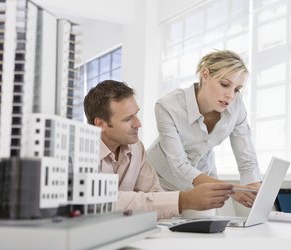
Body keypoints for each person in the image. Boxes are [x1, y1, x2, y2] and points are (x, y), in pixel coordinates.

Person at [84, 80, 235, 219]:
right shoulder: (82, 155)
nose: (138, 124)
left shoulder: (136, 148)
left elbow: (154, 193)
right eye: (127, 119)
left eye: (136, 114)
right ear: (100, 124)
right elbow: (104, 203)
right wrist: (184, 200)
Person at [147, 50, 261, 208]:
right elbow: (179, 165)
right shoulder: (168, 106)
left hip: (204, 178)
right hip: (161, 180)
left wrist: (254, 191)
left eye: (237, 89)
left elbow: (246, 158)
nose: (230, 95)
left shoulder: (236, 105)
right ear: (205, 74)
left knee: (209, 229)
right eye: (225, 84)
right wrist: (232, 190)